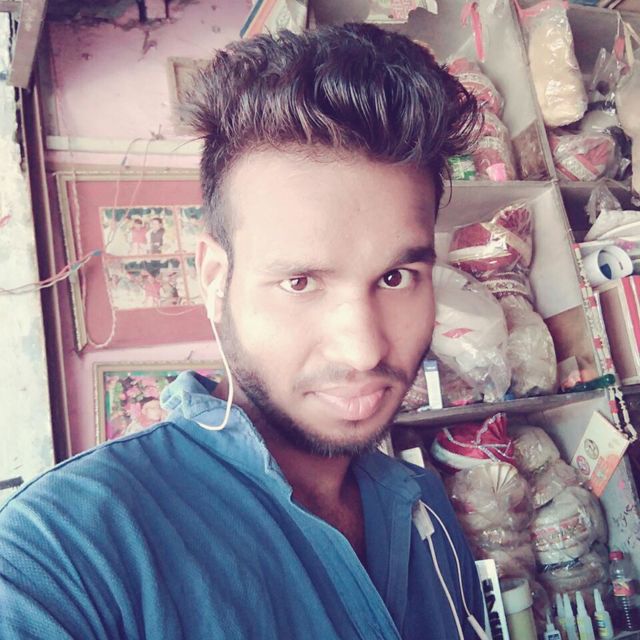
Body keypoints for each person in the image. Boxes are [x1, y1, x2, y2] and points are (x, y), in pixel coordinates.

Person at [0, 24, 486, 640]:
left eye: (395, 277)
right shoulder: (63, 553)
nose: (364, 349)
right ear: (214, 280)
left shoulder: (424, 507)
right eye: (300, 282)